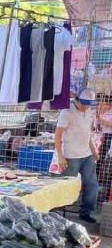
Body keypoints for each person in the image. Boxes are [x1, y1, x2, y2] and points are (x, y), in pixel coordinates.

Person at [55, 88, 99, 223]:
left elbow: (88, 133)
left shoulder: (90, 111)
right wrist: (61, 156)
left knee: (92, 185)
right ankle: (55, 212)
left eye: (89, 104)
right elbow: (58, 135)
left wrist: (93, 149)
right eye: (84, 103)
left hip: (87, 155)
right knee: (66, 185)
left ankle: (86, 212)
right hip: (71, 156)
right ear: (77, 100)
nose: (86, 107)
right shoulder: (66, 112)